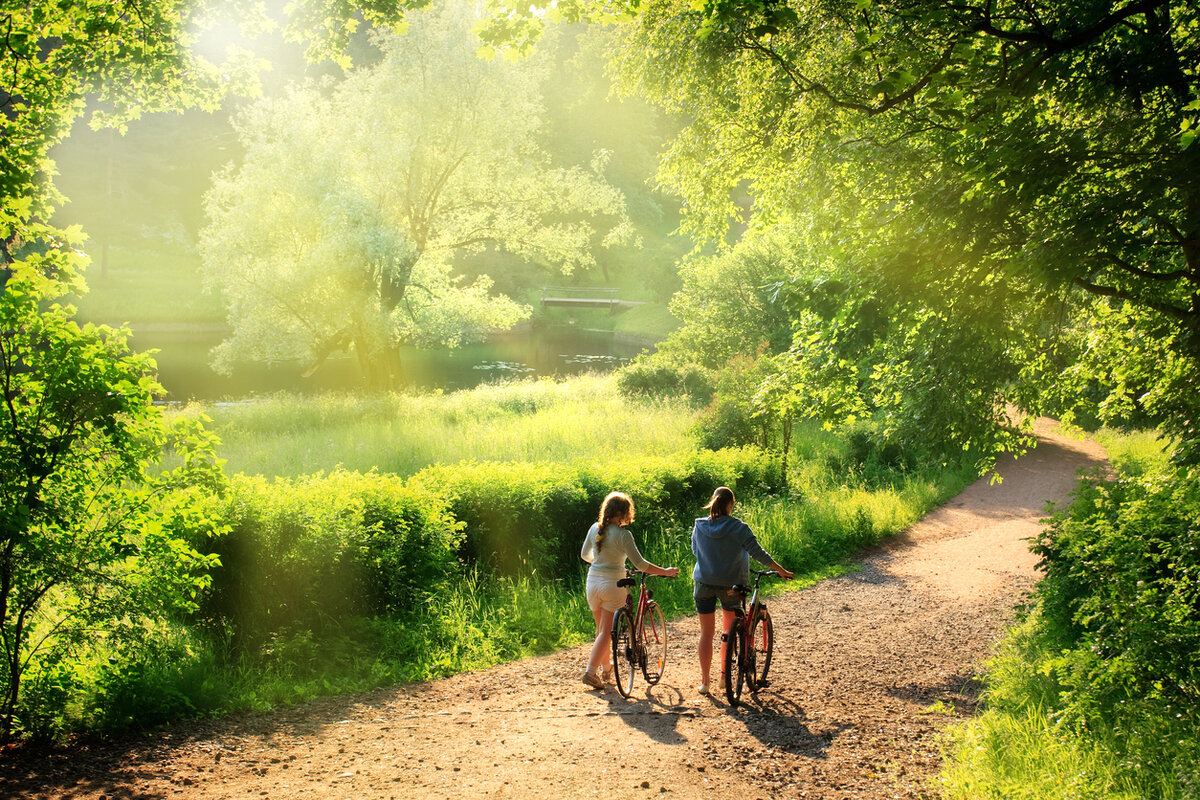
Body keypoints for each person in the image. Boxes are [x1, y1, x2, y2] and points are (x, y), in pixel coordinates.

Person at [691, 486, 794, 696]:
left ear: (713, 502)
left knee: (706, 633)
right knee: (728, 632)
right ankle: (723, 677)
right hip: (731, 586)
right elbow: (759, 554)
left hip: (703, 583)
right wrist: (780, 570)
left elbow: (695, 551)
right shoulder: (738, 527)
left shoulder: (699, 526)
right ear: (731, 505)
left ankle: (704, 682)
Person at [580, 491, 679, 690]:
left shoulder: (594, 529)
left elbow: (584, 555)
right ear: (623, 513)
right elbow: (641, 565)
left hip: (592, 583)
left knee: (602, 631)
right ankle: (590, 672)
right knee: (606, 632)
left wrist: (601, 563)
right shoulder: (624, 535)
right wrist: (665, 572)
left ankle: (606, 669)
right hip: (612, 584)